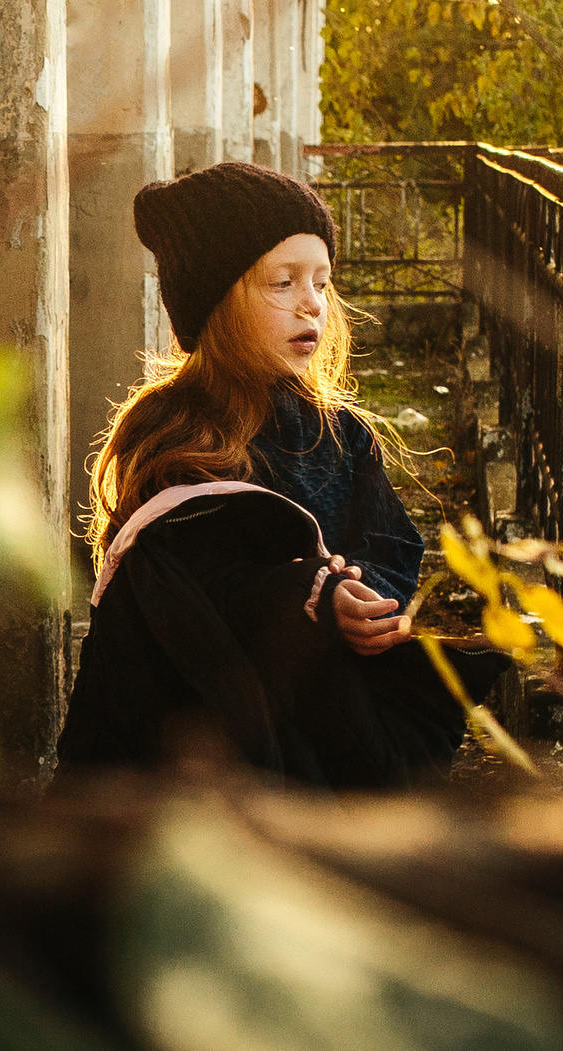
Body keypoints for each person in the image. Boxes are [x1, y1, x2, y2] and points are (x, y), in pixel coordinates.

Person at [54, 162, 473, 786]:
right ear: (217, 302)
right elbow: (188, 589)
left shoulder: (339, 431)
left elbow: (391, 543)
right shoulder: (172, 432)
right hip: (204, 734)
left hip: (325, 707)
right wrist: (309, 595)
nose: (312, 302)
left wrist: (365, 598)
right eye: (284, 282)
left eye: (323, 282)